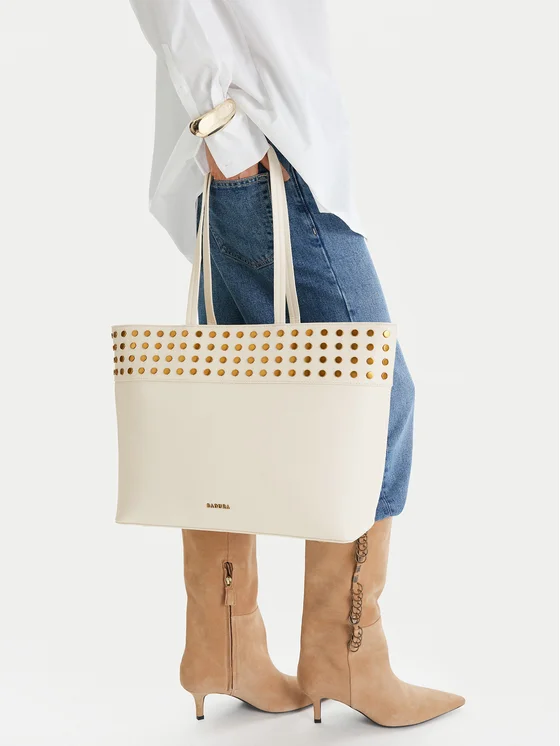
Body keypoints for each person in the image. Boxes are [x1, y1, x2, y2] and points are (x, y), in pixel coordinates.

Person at [128, 0, 464, 726]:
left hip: (258, 153)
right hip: (268, 154)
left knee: (228, 406)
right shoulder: (247, 141)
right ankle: (347, 653)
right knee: (374, 401)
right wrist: (227, 130)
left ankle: (224, 649)